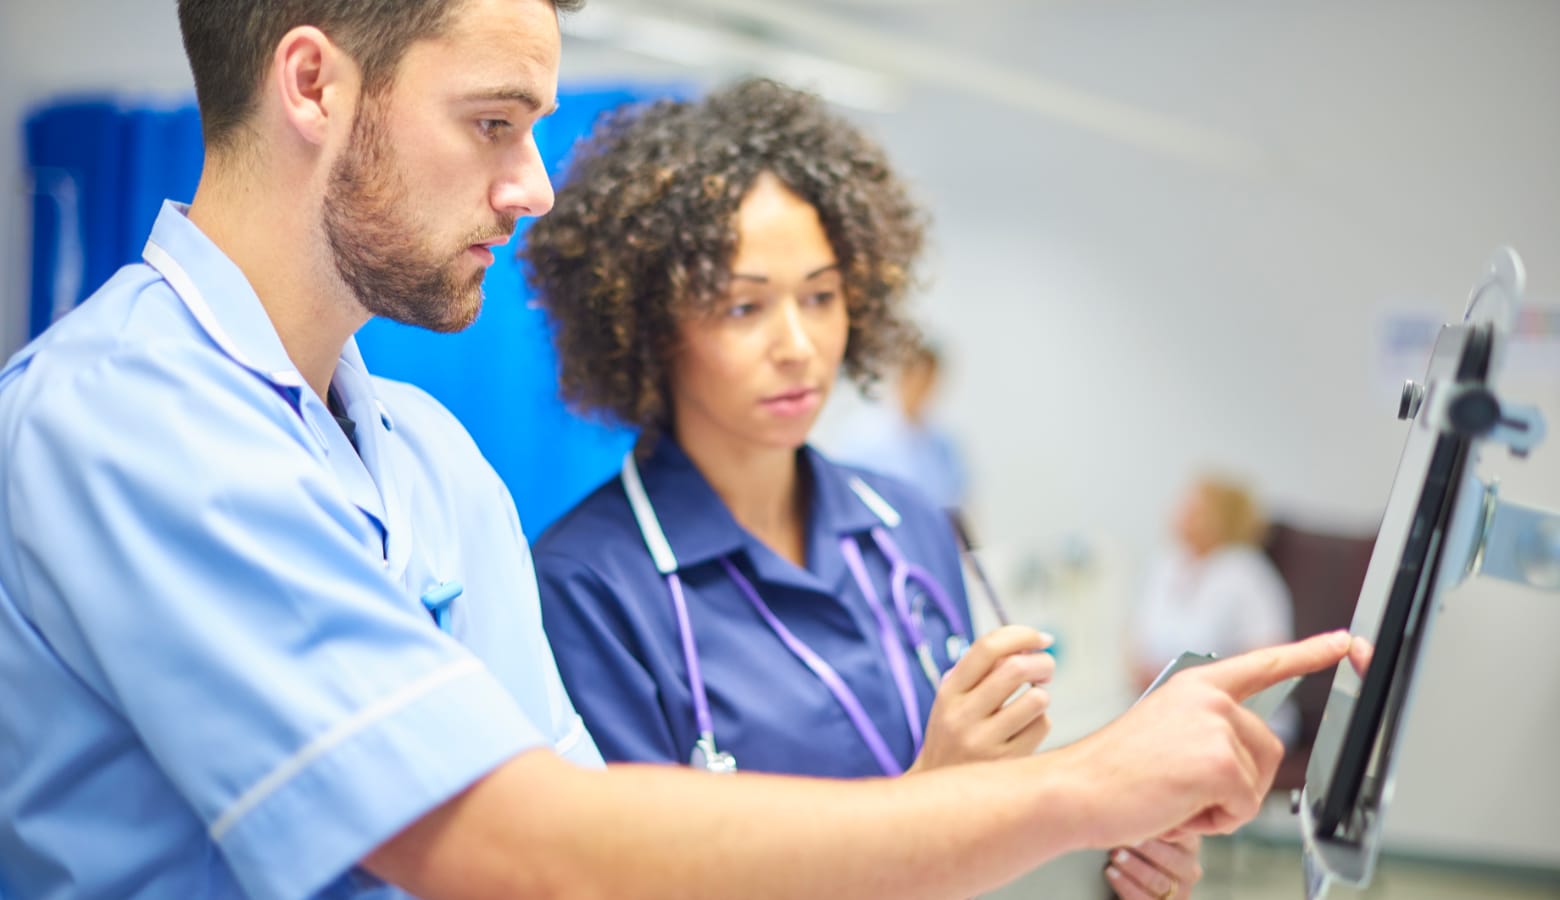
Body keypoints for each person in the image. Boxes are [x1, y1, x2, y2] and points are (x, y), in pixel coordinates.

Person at [0, 2, 1357, 898]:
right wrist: (1068, 790)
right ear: (312, 82)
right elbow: (514, 846)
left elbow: (608, 844)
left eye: (821, 299)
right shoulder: (127, 423)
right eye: (492, 121)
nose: (531, 184)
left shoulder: (423, 456)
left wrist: (1058, 812)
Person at [525, 79, 1051, 781]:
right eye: (745, 307)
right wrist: (929, 801)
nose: (798, 344)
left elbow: (988, 811)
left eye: (821, 296)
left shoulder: (909, 524)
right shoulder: (589, 584)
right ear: (649, 328)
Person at [1129, 475, 1298, 740]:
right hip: (1169, 712)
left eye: (1196, 509)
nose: (1182, 513)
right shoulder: (1166, 565)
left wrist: (1190, 689)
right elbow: (1138, 648)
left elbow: (1268, 658)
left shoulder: (1246, 572)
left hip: (1238, 717)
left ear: (1223, 518)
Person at [832, 341, 969, 512]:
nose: (923, 389)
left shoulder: (943, 442)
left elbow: (955, 499)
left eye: (929, 380)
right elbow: (851, 493)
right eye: (917, 379)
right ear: (903, 378)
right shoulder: (865, 435)